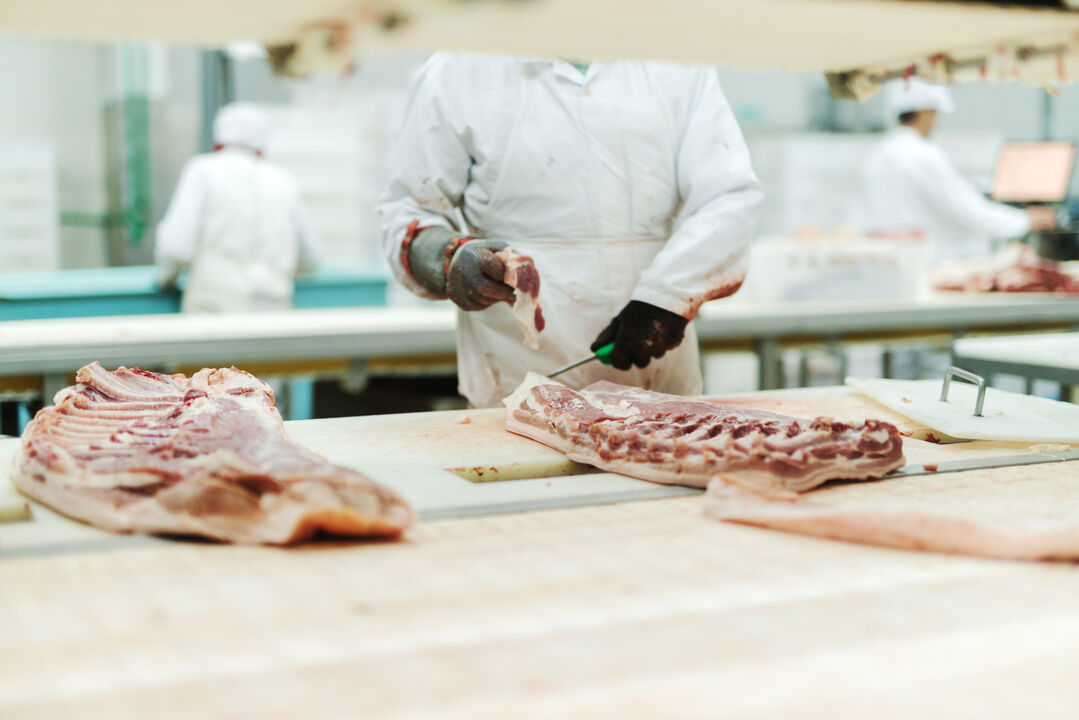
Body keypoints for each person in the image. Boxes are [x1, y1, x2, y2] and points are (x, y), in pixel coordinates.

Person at [378, 54, 763, 408]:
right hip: (514, 387)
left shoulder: (673, 57)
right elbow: (410, 209)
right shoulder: (458, 69)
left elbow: (727, 196)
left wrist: (669, 296)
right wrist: (446, 258)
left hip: (662, 391)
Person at [861, 78, 1056, 265]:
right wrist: (1025, 219)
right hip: (927, 268)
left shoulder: (877, 154)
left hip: (889, 268)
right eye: (935, 114)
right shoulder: (923, 155)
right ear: (924, 112)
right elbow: (969, 211)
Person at [156, 102, 324, 313]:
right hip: (274, 308)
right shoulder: (283, 180)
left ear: (218, 143)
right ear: (262, 148)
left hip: (215, 310)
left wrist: (166, 279)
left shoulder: (202, 171)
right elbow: (311, 257)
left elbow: (175, 246)